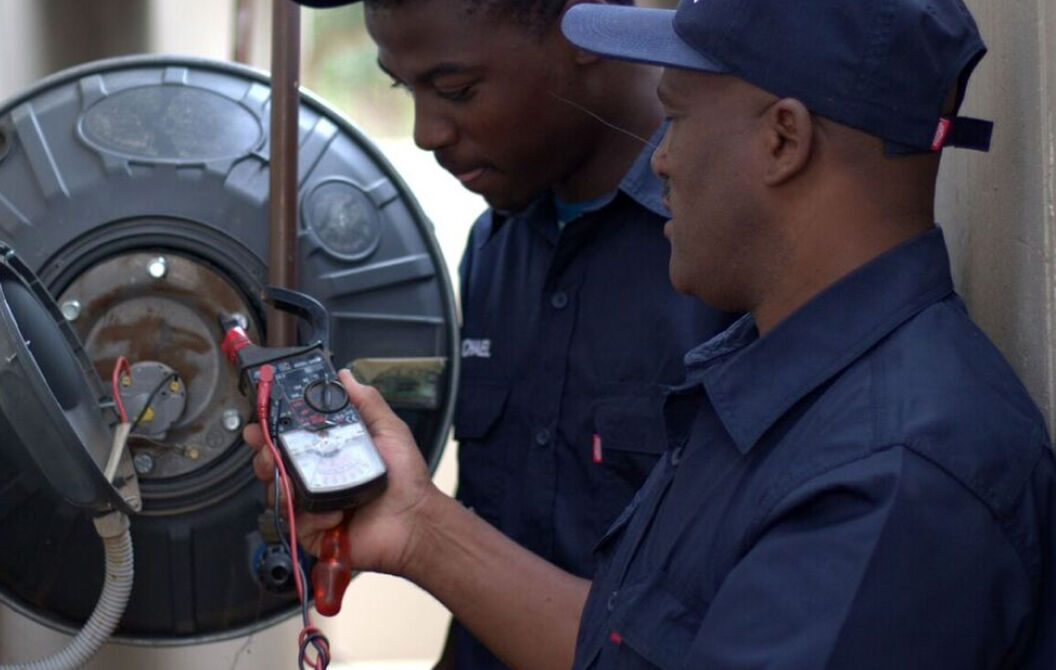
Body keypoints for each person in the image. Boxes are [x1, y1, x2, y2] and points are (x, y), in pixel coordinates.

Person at [259, 0, 1056, 668]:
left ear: (784, 139)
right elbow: (628, 645)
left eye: (674, 119)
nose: (661, 160)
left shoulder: (897, 478)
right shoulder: (764, 381)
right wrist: (415, 523)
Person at [290, 1, 732, 667]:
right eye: (402, 89)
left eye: (455, 89)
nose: (425, 133)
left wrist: (423, 532)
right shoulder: (495, 249)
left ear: (587, 29)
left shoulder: (730, 257)